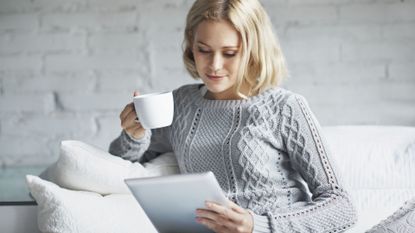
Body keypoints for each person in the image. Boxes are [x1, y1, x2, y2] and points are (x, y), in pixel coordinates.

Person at [109, 0, 357, 232]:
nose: (214, 65)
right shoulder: (181, 104)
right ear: (190, 45)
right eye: (204, 50)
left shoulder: (285, 107)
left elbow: (342, 207)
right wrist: (134, 134)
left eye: (230, 53)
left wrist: (257, 225)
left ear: (253, 51)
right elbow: (120, 164)